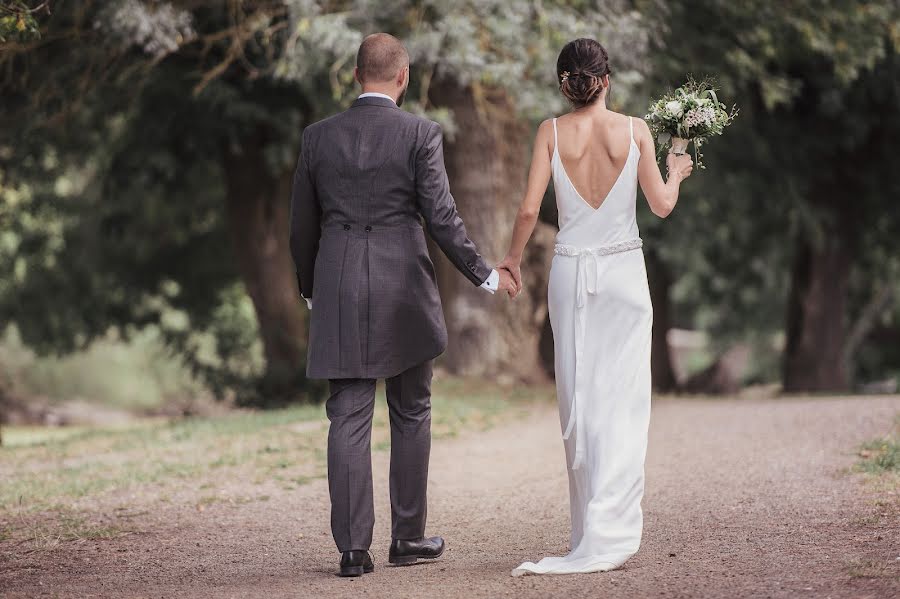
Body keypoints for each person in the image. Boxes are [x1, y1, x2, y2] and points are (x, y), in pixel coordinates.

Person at [289, 33, 517, 577]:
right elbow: (441, 217)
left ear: (354, 76)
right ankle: (407, 538)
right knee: (411, 409)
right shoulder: (420, 133)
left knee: (347, 414)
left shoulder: (318, 138)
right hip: (404, 286)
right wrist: (485, 274)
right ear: (403, 77)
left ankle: (351, 550)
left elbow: (301, 225)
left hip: (339, 281)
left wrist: (310, 287)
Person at [499, 38, 694, 576]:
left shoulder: (551, 132)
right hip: (624, 275)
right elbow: (660, 205)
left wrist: (513, 260)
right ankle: (610, 526)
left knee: (579, 394)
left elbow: (525, 208)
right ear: (606, 80)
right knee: (624, 399)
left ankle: (588, 527)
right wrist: (677, 171)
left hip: (570, 273)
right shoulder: (635, 131)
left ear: (565, 83)